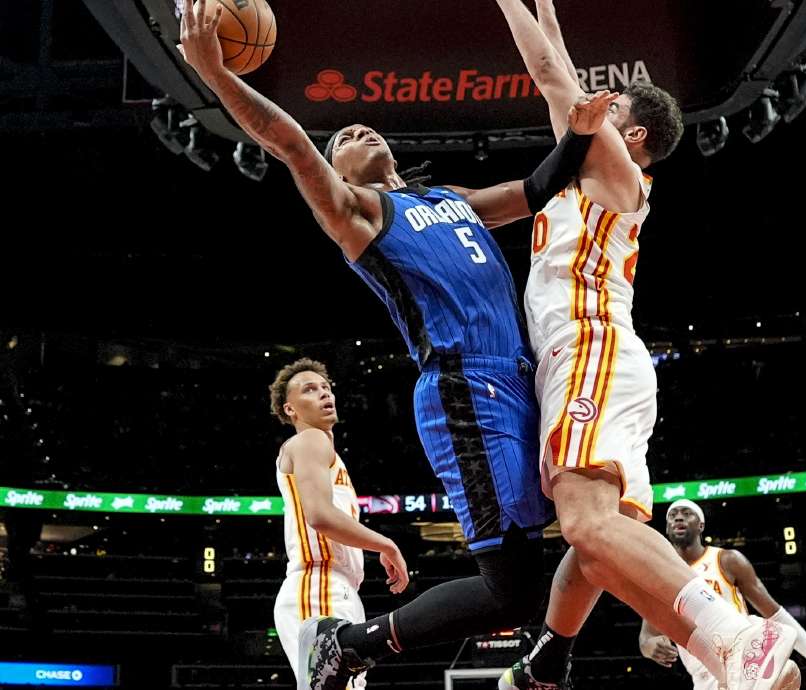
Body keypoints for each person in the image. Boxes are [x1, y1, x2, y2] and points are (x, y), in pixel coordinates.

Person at [177, 4, 614, 690]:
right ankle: (350, 644)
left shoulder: (449, 197)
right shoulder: (358, 214)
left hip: (517, 383)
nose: (355, 128)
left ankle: (516, 657)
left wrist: (580, 133)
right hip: (466, 391)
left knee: (551, 561)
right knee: (512, 587)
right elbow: (289, 140)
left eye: (361, 126)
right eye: (341, 138)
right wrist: (212, 74)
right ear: (337, 177)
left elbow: (535, 189)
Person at [492, 3, 798, 690]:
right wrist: (548, 11)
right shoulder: (584, 175)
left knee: (584, 524)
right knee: (600, 548)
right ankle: (554, 657)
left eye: (606, 107)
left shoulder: (618, 178)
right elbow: (560, 76)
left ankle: (738, 635)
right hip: (599, 361)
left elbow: (547, 76)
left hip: (589, 348)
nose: (588, 108)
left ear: (627, 132)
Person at [270, 359, 408, 689]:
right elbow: (319, 516)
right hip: (317, 584)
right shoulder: (310, 440)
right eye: (309, 389)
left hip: (336, 587)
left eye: (326, 387)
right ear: (291, 409)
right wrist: (386, 544)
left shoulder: (326, 452)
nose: (323, 393)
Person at [640, 500, 806, 690]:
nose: (678, 518)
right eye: (672, 515)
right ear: (667, 528)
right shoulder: (661, 573)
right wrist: (650, 647)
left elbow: (777, 615)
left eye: (686, 513)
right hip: (703, 680)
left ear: (701, 525)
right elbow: (646, 637)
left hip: (742, 666)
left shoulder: (727, 560)